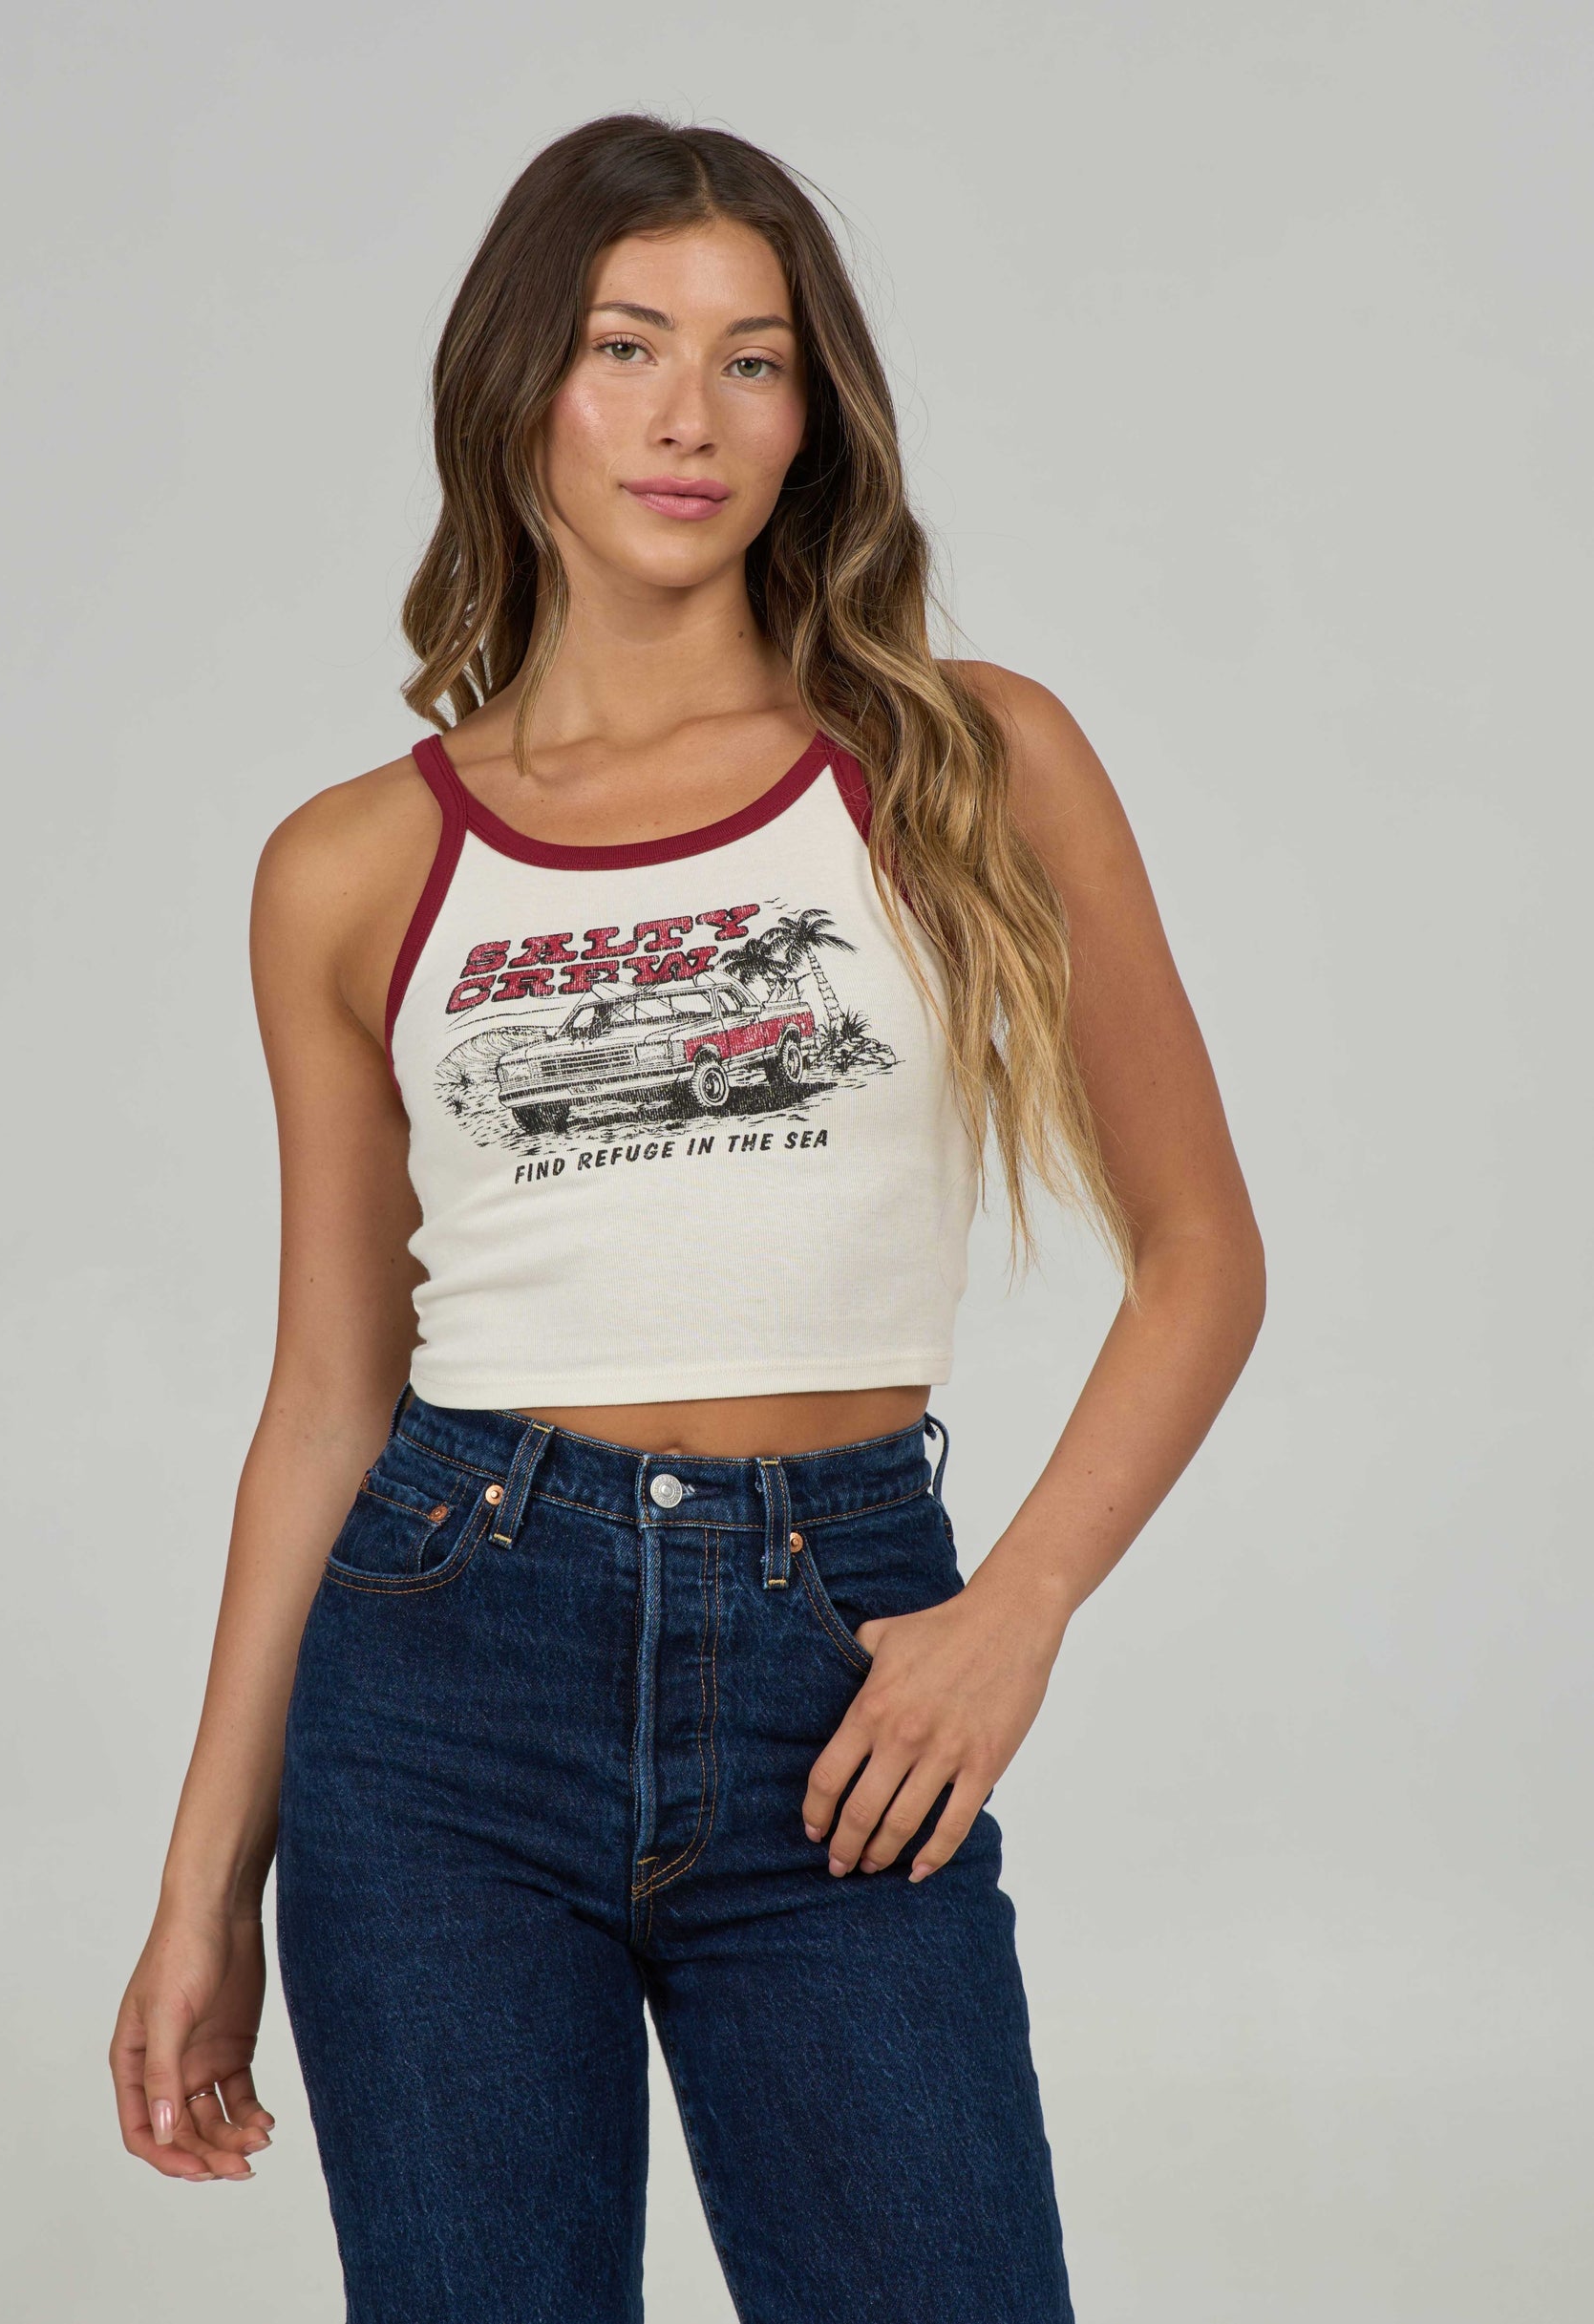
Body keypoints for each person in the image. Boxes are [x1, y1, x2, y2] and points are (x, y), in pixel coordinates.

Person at [108, 112, 1265, 2323]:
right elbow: (329, 1395)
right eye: (626, 345)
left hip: (844, 1661)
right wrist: (201, 1888)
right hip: (441, 1681)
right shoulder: (351, 866)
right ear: (519, 385)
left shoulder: (963, 760)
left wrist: (1016, 1605)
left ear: (812, 413)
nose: (688, 416)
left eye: (753, 360)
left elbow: (1203, 1253)